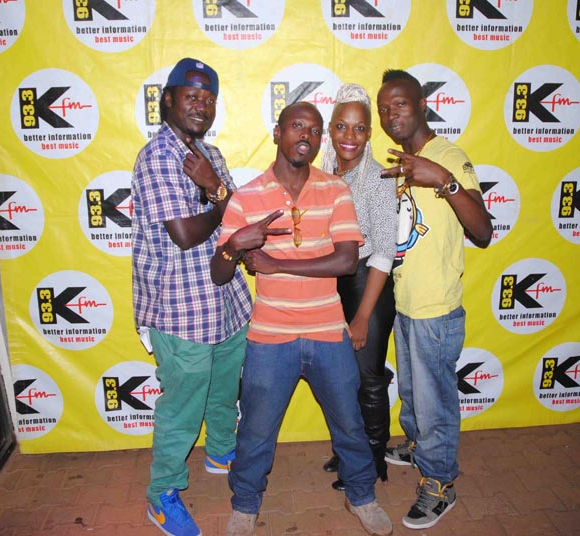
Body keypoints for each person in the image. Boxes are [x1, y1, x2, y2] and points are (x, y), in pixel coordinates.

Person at [211, 102, 393, 536]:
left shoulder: (335, 190)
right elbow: (219, 273)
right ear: (278, 133)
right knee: (255, 431)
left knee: (349, 423)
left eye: (314, 130)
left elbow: (346, 261)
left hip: (327, 330)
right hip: (270, 335)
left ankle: (362, 496)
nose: (306, 136)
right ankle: (245, 505)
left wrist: (276, 264)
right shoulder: (247, 196)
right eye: (296, 126)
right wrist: (235, 244)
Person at [131, 57, 252, 536]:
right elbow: (185, 234)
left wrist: (216, 189)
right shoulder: (157, 157)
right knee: (182, 408)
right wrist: (216, 194)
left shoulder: (210, 154)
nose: (201, 105)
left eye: (209, 98)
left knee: (225, 391)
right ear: (168, 100)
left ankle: (221, 453)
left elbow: (239, 214)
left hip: (225, 302)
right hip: (179, 311)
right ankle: (161, 494)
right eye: (192, 96)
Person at [376, 69, 492, 530]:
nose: (391, 114)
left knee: (434, 400)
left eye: (400, 104)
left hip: (437, 308)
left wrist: (443, 180)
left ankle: (441, 481)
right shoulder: (401, 161)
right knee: (411, 392)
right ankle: (418, 444)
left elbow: (483, 230)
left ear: (422, 105)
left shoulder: (448, 157)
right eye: (384, 108)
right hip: (406, 301)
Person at [318, 83, 398, 491]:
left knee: (368, 377)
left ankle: (372, 460)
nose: (350, 136)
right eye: (341, 126)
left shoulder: (379, 178)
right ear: (330, 129)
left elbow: (385, 250)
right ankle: (351, 450)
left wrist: (364, 315)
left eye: (359, 128)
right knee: (340, 379)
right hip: (333, 287)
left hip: (369, 285)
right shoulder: (321, 176)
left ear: (369, 133)